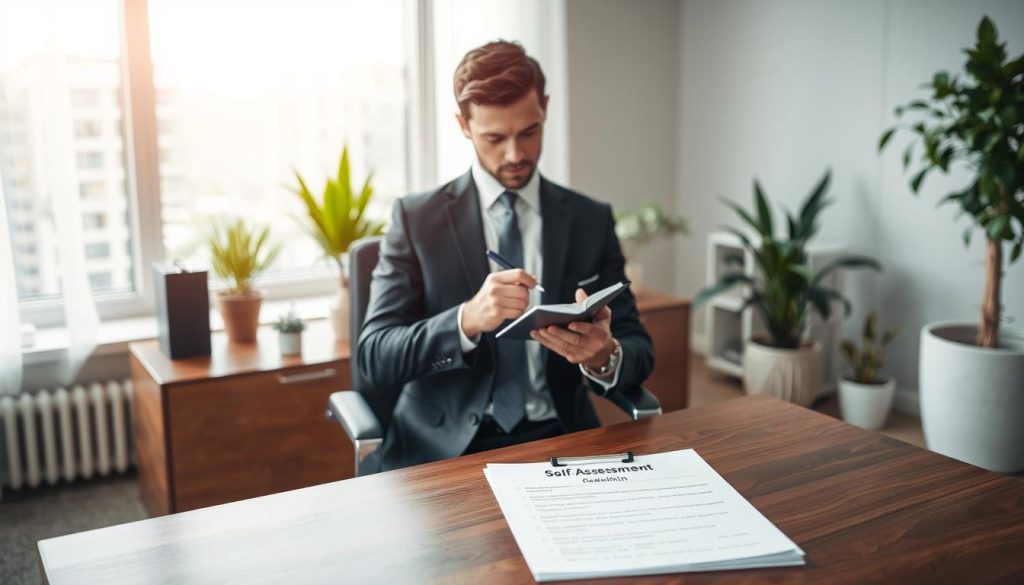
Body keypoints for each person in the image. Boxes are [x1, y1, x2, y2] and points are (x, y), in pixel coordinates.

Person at [357, 40, 653, 471]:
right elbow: (375, 354)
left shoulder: (590, 219)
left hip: (559, 437)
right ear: (463, 124)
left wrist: (604, 355)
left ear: (545, 108)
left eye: (529, 132)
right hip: (442, 449)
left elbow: (639, 348)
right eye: (494, 138)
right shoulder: (416, 219)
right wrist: (466, 319)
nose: (515, 155)